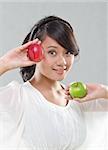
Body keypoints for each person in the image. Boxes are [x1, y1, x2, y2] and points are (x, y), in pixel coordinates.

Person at [0, 15, 108, 150]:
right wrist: (4, 63)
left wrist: (104, 91)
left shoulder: (78, 99)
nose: (62, 62)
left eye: (68, 52)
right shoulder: (18, 97)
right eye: (52, 52)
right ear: (35, 52)